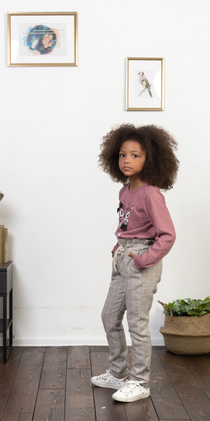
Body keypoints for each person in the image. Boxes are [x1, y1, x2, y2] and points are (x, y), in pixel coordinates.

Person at [91, 124, 179, 403]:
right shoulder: (125, 191)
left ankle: (140, 381)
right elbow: (126, 224)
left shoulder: (152, 194)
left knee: (137, 323)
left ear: (149, 159)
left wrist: (143, 260)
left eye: (135, 155)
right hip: (123, 259)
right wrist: (120, 246)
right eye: (122, 155)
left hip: (142, 261)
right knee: (109, 316)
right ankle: (118, 373)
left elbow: (167, 235)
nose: (127, 160)